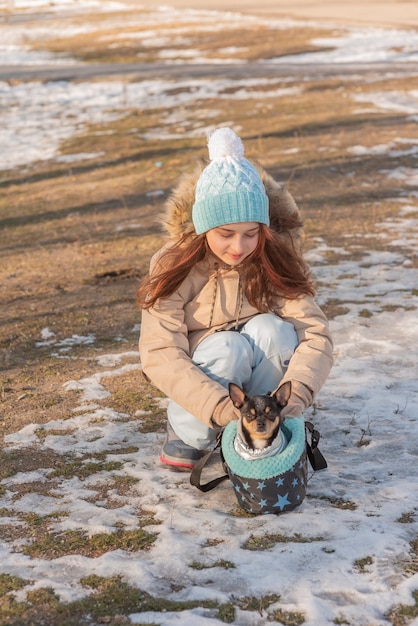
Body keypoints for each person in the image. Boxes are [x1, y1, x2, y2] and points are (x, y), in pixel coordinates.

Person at [137, 127, 333, 470]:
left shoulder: (273, 257)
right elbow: (160, 351)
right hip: (206, 387)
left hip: (257, 407)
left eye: (251, 234)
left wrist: (294, 398)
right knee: (229, 347)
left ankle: (265, 431)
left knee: (276, 331)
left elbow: (314, 333)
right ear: (203, 227)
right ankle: (192, 433)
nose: (239, 248)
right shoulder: (174, 263)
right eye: (225, 234)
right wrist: (220, 408)